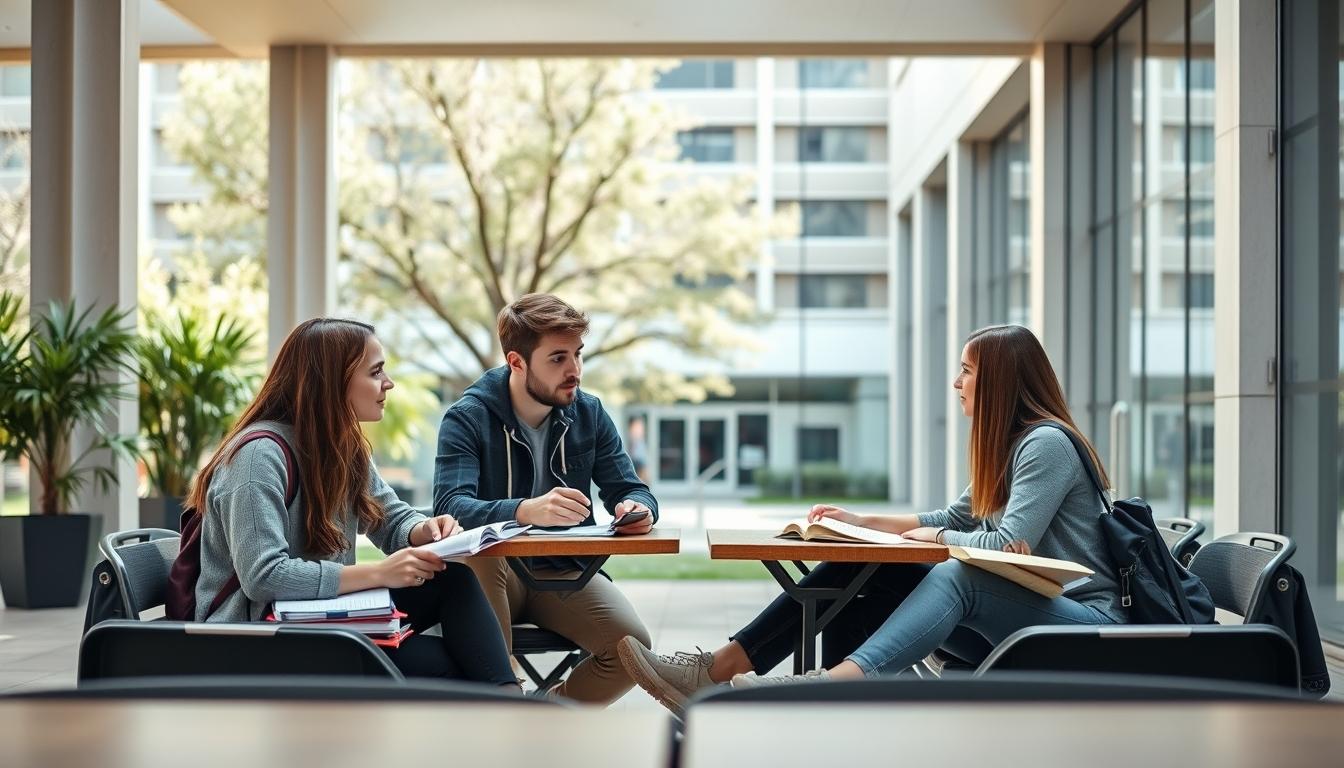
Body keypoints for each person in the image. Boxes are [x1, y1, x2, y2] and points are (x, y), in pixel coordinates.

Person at [618, 324, 1126, 714]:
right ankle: (729, 672)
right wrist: (861, 523)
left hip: (1081, 623)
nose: (957, 382)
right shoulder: (1011, 446)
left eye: (968, 371)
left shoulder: (1047, 443)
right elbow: (950, 516)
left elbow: (1009, 541)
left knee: (958, 575)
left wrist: (938, 536)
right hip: (1022, 616)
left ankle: (826, 688)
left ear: (1000, 380)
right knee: (870, 565)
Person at [188, 317, 518, 688]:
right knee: (455, 667)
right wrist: (379, 573)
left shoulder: (342, 445)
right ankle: (511, 712)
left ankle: (511, 706)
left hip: (317, 621)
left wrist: (423, 529)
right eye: (375, 372)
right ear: (332, 382)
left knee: (453, 582)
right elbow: (263, 576)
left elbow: (390, 519)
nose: (388, 383)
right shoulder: (257, 456)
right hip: (259, 640)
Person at [434, 293, 658, 704]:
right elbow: (449, 506)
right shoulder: (467, 417)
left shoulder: (589, 414)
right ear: (516, 362)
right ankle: (499, 708)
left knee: (633, 652)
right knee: (482, 557)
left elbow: (630, 488)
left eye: (578, 355)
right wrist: (524, 510)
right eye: (558, 358)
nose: (574, 370)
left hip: (562, 571)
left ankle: (540, 718)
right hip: (490, 575)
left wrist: (636, 508)